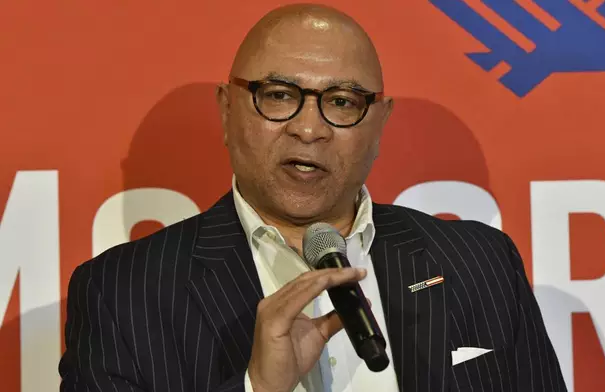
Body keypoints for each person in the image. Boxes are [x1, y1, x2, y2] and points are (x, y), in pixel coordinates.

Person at [59, 4, 567, 392]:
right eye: (278, 95)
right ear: (226, 110)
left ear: (380, 124)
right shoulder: (122, 294)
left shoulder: (480, 263)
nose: (308, 128)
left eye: (342, 102)